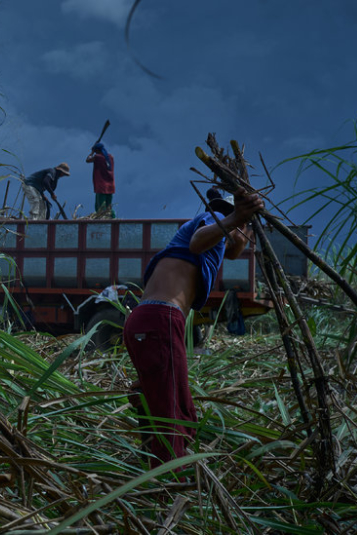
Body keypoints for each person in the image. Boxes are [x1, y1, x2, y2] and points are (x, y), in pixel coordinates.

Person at [122, 187, 263, 469]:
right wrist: (235, 217)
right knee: (174, 410)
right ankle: (171, 476)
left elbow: (232, 251)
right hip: (161, 318)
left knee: (162, 399)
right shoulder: (207, 221)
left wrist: (243, 228)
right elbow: (198, 242)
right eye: (230, 217)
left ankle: (150, 463)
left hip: (146, 319)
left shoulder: (218, 240)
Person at [86, 142, 115, 218]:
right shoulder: (111, 157)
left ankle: (103, 220)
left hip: (101, 186)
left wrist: (92, 152)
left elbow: (87, 160)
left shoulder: (97, 157)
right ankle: (113, 218)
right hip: (110, 186)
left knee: (100, 207)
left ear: (97, 151)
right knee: (109, 207)